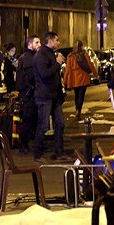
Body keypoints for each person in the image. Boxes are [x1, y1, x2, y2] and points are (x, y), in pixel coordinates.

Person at [33, 31, 68, 163]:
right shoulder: (41, 55)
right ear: (50, 41)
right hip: (44, 96)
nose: (59, 43)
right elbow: (45, 74)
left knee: (60, 124)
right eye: (57, 40)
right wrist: (57, 63)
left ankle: (60, 152)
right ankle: (38, 154)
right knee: (43, 125)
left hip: (55, 96)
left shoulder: (49, 54)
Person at [16, 35, 40, 153]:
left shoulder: (27, 57)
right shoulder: (29, 58)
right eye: (37, 42)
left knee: (32, 119)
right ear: (30, 45)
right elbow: (31, 76)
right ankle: (24, 144)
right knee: (29, 119)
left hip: (28, 93)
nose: (39, 45)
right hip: (29, 93)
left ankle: (28, 142)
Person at [63, 40, 98, 121]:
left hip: (74, 79)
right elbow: (90, 64)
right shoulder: (84, 54)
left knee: (76, 95)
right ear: (81, 46)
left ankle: (77, 110)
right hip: (83, 78)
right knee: (81, 95)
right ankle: (79, 110)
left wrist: (64, 81)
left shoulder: (70, 56)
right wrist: (96, 75)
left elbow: (67, 70)